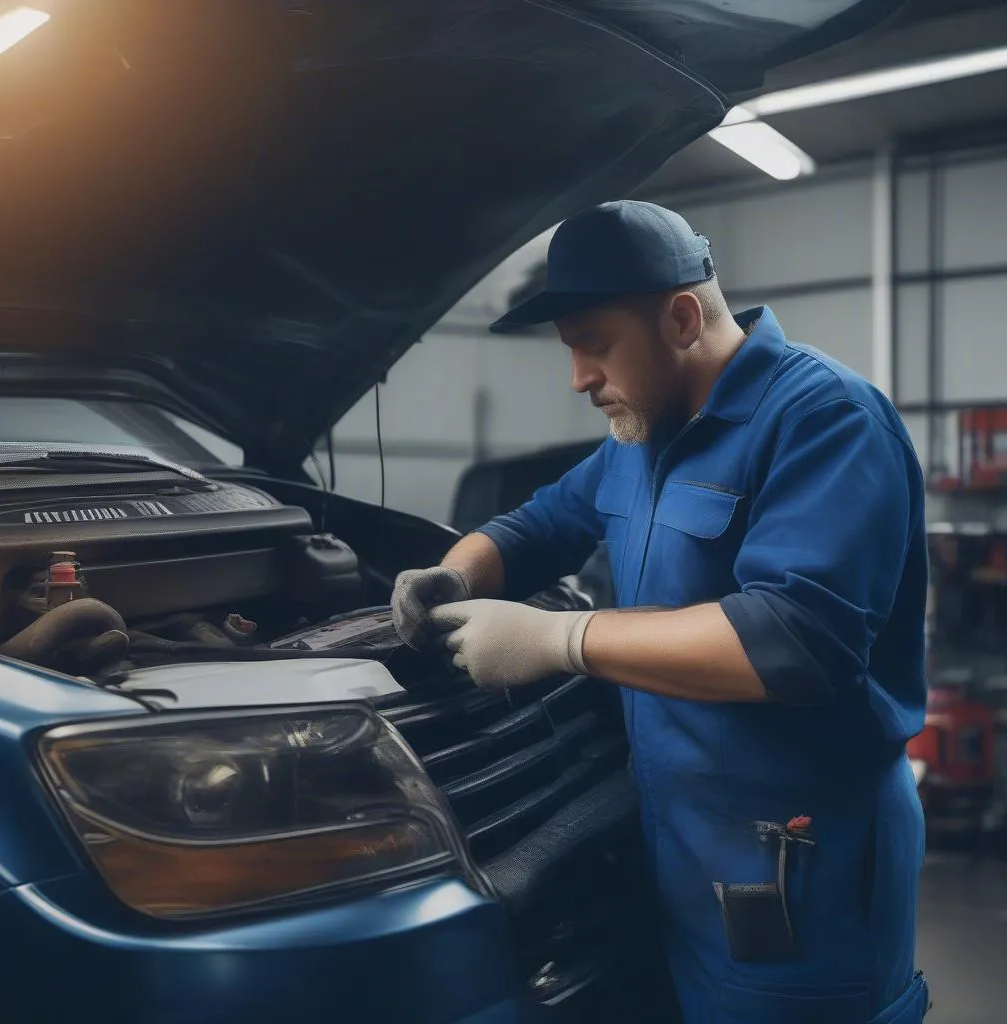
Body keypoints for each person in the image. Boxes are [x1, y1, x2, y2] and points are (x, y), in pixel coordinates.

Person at [391, 200, 931, 1024]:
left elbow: (794, 641)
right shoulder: (641, 440)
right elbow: (539, 524)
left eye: (593, 345)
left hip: (798, 871)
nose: (578, 378)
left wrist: (560, 637)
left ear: (682, 318)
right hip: (677, 858)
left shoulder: (825, 420)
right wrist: (456, 572)